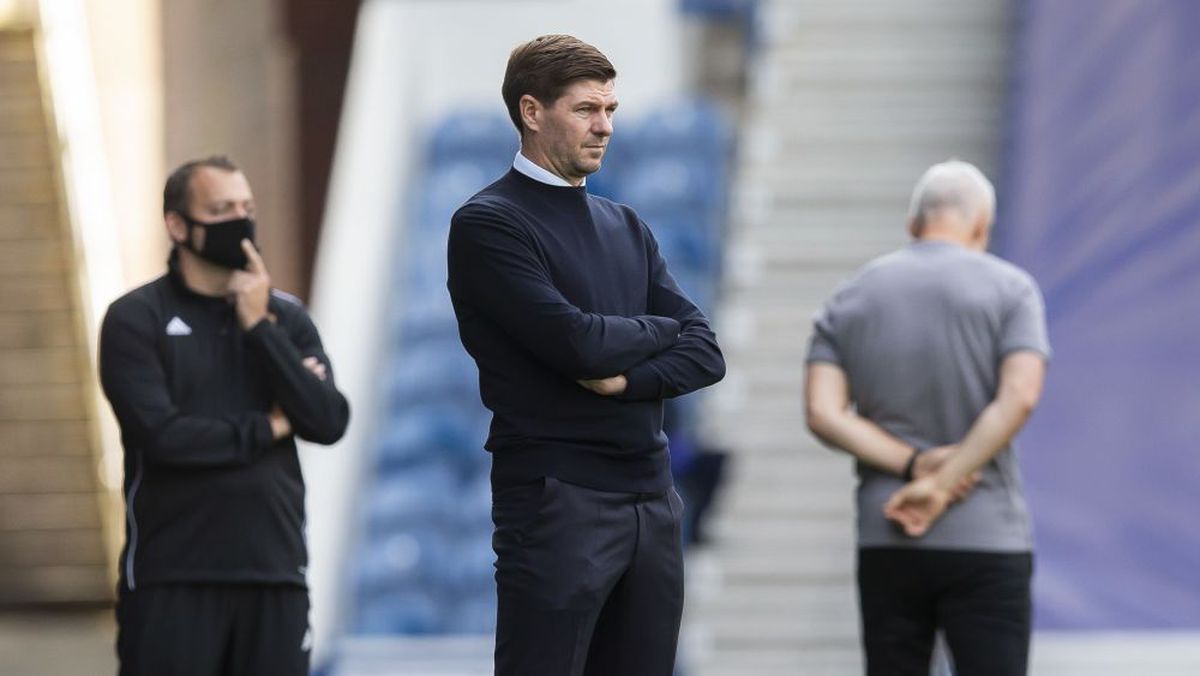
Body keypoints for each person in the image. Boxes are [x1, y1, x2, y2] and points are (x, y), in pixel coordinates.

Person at [446, 34, 726, 676]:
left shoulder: (625, 224)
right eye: (585, 110)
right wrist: (657, 329)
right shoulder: (489, 223)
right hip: (556, 499)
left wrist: (622, 379)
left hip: (652, 500)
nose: (603, 127)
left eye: (610, 110)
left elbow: (706, 353)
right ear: (531, 111)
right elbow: (576, 342)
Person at [98, 156, 350, 676]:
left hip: (275, 573)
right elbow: (165, 438)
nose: (240, 221)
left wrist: (260, 327)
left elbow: (327, 421)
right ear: (178, 225)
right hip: (174, 575)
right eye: (221, 209)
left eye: (246, 208)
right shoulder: (135, 319)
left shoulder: (285, 316)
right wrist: (271, 426)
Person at [804, 160, 1049, 676]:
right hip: (987, 538)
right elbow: (1020, 397)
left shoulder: (849, 296)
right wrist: (946, 482)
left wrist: (916, 465)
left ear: (914, 224)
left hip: (886, 532)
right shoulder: (1013, 290)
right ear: (981, 226)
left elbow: (823, 413)